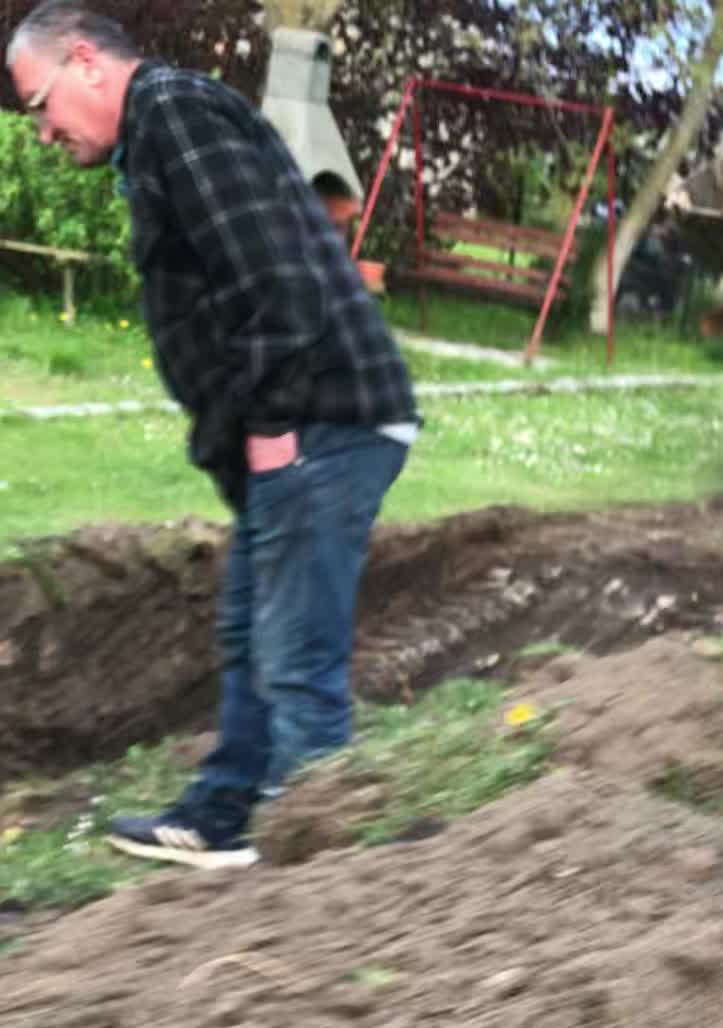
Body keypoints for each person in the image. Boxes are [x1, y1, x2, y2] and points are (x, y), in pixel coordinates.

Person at [6, 3, 420, 869]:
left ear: (85, 62)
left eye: (39, 105)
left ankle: (331, 870)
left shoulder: (175, 115)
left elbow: (276, 280)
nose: (41, 131)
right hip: (301, 424)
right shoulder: (158, 132)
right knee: (249, 631)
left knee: (296, 659)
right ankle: (222, 815)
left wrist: (268, 426)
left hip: (323, 421)